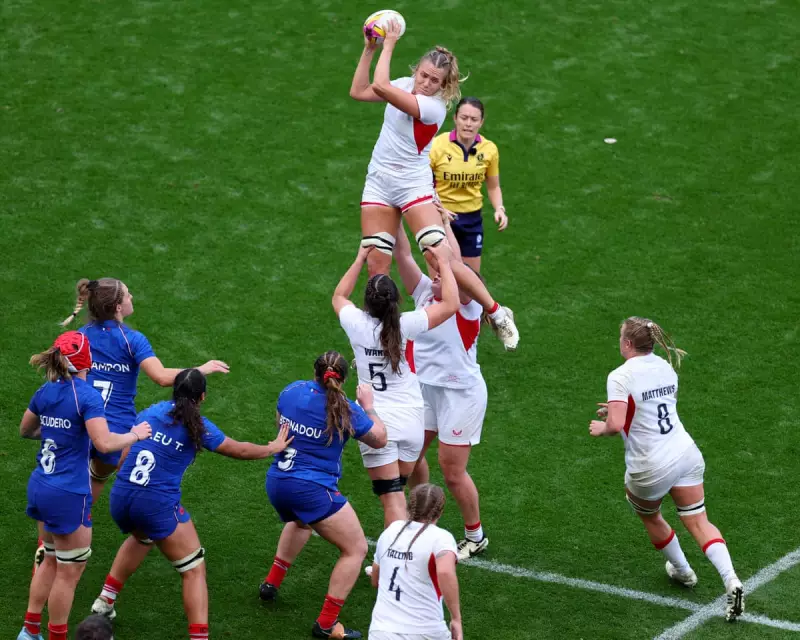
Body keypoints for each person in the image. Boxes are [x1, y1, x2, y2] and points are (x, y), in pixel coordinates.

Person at [349, 20, 519, 352]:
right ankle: (377, 343)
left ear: (445, 85)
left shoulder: (433, 107)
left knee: (440, 255)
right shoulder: (404, 83)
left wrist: (388, 44)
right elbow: (359, 90)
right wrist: (369, 50)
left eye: (435, 80)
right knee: (376, 264)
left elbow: (381, 87)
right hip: (380, 183)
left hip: (413, 185)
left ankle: (496, 312)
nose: (426, 83)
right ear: (417, 71)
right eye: (423, 76)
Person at [89, 368, 292, 640]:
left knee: (142, 538)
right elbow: (239, 450)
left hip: (122, 497)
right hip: (155, 505)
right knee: (193, 568)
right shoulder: (198, 426)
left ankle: (105, 600)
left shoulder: (152, 411)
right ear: (203, 397)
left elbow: (126, 455)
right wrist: (272, 447)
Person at [589, 317, 744, 621]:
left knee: (649, 513)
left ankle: (684, 572)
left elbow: (618, 425)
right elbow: (653, 407)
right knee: (699, 521)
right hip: (685, 453)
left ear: (628, 344)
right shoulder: (666, 368)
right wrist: (619, 410)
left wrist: (603, 426)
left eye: (621, 337)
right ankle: (732, 580)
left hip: (650, 465)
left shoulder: (619, 376)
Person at [17, 331, 152, 640]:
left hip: (41, 485)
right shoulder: (86, 395)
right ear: (85, 359)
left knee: (48, 557)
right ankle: (56, 636)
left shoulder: (46, 390)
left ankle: (29, 631)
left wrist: (59, 434)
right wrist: (134, 435)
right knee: (68, 571)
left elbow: (27, 430)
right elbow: (104, 444)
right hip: (67, 494)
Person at [60, 277, 229, 504]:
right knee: (97, 479)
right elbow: (160, 377)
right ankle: (79, 522)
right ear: (118, 307)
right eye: (128, 295)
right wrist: (201, 369)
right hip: (115, 428)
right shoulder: (132, 340)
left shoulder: (81, 336)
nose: (132, 298)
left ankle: (46, 539)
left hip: (79, 418)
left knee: (62, 477)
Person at [259, 351, 388, 640]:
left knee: (300, 521)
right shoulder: (346, 409)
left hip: (277, 481)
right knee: (356, 548)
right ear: (343, 379)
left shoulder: (291, 391)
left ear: (315, 372)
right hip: (311, 489)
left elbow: (280, 423)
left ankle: (270, 584)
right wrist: (369, 407)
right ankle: (327, 624)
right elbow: (379, 439)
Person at [333, 244, 458, 528]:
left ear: (367, 302)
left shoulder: (355, 322)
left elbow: (339, 296)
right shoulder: (407, 324)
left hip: (376, 421)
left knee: (393, 501)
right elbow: (451, 305)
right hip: (413, 418)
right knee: (399, 496)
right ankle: (410, 548)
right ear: (395, 301)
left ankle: (394, 560)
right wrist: (444, 263)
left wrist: (359, 257)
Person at [394, 223, 489, 561]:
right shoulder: (424, 292)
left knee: (451, 471)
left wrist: (446, 233)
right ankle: (419, 520)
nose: (434, 273)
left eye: (441, 272)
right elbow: (403, 253)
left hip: (460, 395)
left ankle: (475, 536)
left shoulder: (467, 305)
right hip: (424, 391)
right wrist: (397, 215)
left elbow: (454, 264)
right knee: (409, 458)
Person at [368, 484, 462, 640]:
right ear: (440, 512)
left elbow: (375, 580)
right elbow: (445, 572)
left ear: (409, 507)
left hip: (382, 631)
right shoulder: (441, 537)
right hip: (426, 631)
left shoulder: (390, 531)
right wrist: (456, 619)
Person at [429, 97, 507, 272]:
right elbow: (423, 182)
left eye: (474, 119)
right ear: (455, 118)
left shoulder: (489, 149)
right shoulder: (437, 146)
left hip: (472, 220)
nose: (468, 124)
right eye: (464, 118)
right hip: (440, 217)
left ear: (481, 122)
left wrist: (499, 208)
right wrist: (437, 206)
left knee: (472, 282)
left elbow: (493, 186)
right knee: (440, 279)